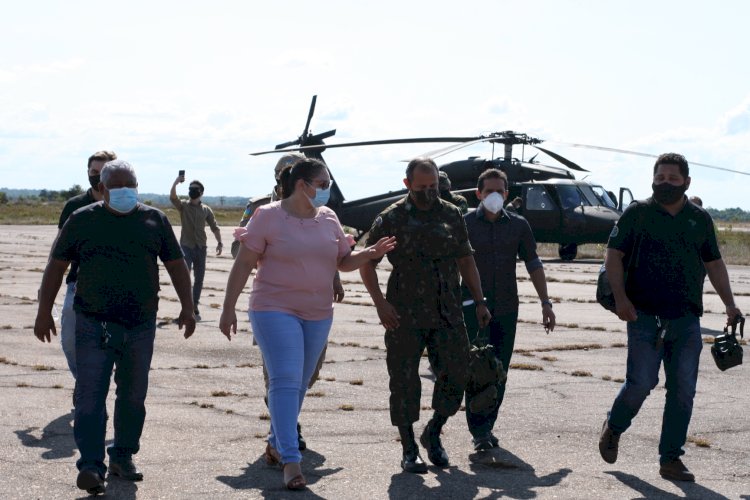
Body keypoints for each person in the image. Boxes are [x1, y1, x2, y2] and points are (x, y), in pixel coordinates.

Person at [219, 158, 395, 491]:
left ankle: (275, 442)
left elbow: (343, 262)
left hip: (317, 313)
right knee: (285, 379)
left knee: (300, 382)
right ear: (303, 185)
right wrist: (228, 308)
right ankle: (290, 460)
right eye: (323, 184)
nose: (326, 190)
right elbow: (243, 263)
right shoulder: (267, 216)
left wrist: (370, 252)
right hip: (273, 309)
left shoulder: (328, 218)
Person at [34, 160, 196, 495]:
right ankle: (91, 466)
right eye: (117, 186)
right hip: (92, 322)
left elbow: (176, 264)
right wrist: (44, 311)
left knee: (133, 395)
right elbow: (56, 266)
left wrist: (188, 307)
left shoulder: (154, 219)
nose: (125, 192)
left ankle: (122, 456)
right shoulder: (82, 220)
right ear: (102, 188)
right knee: (90, 396)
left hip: (140, 323)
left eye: (131, 185)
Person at [599, 153, 742, 482]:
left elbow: (715, 264)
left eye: (672, 179)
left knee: (682, 391)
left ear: (687, 182)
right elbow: (613, 256)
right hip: (643, 314)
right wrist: (620, 299)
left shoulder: (699, 220)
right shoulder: (637, 213)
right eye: (660, 177)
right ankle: (614, 426)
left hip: (686, 318)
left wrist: (730, 304)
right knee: (641, 383)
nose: (665, 183)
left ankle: (671, 459)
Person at [359, 157, 491, 473]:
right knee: (403, 380)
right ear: (407, 185)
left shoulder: (451, 214)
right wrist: (380, 304)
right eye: (422, 188)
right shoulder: (391, 218)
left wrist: (479, 299)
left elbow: (466, 259)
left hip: (447, 310)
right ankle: (408, 448)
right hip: (403, 313)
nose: (429, 193)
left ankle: (434, 431)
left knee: (457, 373)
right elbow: (367, 263)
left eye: (433, 187)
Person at [463, 168, 556, 450]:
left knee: (500, 369)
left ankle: (487, 425)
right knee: (478, 368)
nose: (494, 195)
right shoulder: (464, 223)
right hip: (470, 307)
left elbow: (533, 263)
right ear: (478, 194)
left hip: (506, 307)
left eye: (500, 191)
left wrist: (546, 302)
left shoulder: (518, 225)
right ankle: (479, 431)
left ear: (507, 194)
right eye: (488, 191)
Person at [50, 150, 117, 381]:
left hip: (116, 286)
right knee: (69, 340)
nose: (97, 177)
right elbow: (58, 247)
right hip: (78, 283)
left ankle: (92, 391)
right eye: (93, 172)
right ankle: (84, 384)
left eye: (103, 172)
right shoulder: (75, 206)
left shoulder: (124, 205)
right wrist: (46, 284)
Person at [170, 176, 223, 320]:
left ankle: (195, 306)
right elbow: (173, 197)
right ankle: (185, 306)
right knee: (185, 278)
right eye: (190, 189)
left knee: (199, 279)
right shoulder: (183, 206)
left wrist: (219, 242)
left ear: (201, 192)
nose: (192, 191)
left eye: (195, 189)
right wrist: (176, 182)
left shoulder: (206, 210)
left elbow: (214, 227)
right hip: (186, 247)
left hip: (201, 248)